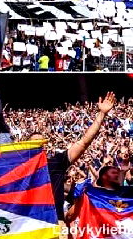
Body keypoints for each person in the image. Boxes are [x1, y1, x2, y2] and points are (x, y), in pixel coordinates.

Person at [28, 91, 116, 221]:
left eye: (41, 143)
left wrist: (102, 114)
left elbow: (84, 141)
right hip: (26, 225)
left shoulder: (56, 162)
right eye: (34, 143)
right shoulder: (18, 167)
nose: (39, 146)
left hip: (54, 224)